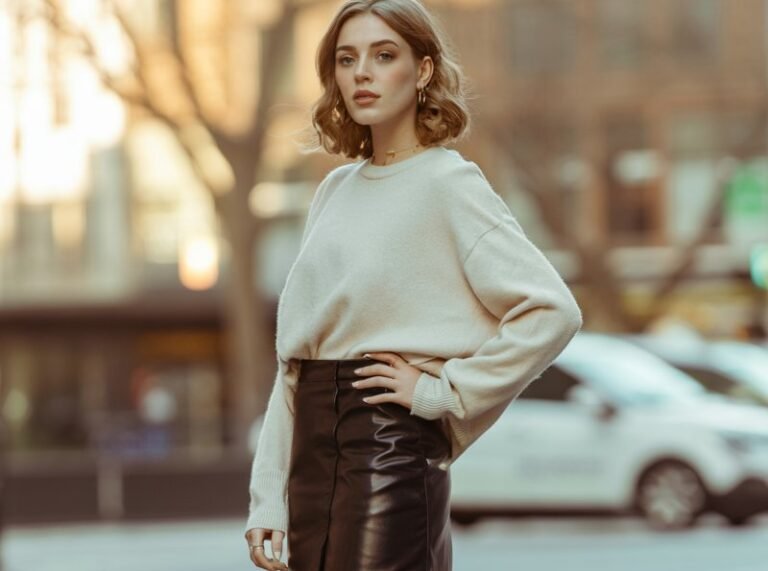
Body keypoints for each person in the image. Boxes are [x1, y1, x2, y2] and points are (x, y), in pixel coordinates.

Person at [244, 1, 583, 569]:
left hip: (387, 449)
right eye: (347, 59)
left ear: (422, 70)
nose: (362, 74)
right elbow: (294, 364)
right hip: (310, 456)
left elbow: (552, 312)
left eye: (384, 56)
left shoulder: (448, 183)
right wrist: (268, 498)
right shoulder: (334, 191)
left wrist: (444, 392)